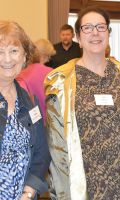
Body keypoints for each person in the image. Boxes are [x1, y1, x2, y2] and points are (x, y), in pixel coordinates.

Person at [44, 6, 120, 200]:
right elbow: (55, 147)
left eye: (101, 27)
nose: (95, 33)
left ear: (108, 33)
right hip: (86, 186)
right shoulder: (60, 82)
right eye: (87, 28)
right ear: (79, 38)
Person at [0, 20, 51, 200]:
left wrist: (28, 193)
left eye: (14, 51)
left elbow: (41, 154)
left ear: (24, 56)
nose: (7, 59)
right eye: (0, 51)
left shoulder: (29, 101)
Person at [17, 38, 55, 124]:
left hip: (30, 122)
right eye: (48, 55)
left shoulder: (21, 73)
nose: (49, 59)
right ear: (44, 55)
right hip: (50, 122)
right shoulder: (52, 73)